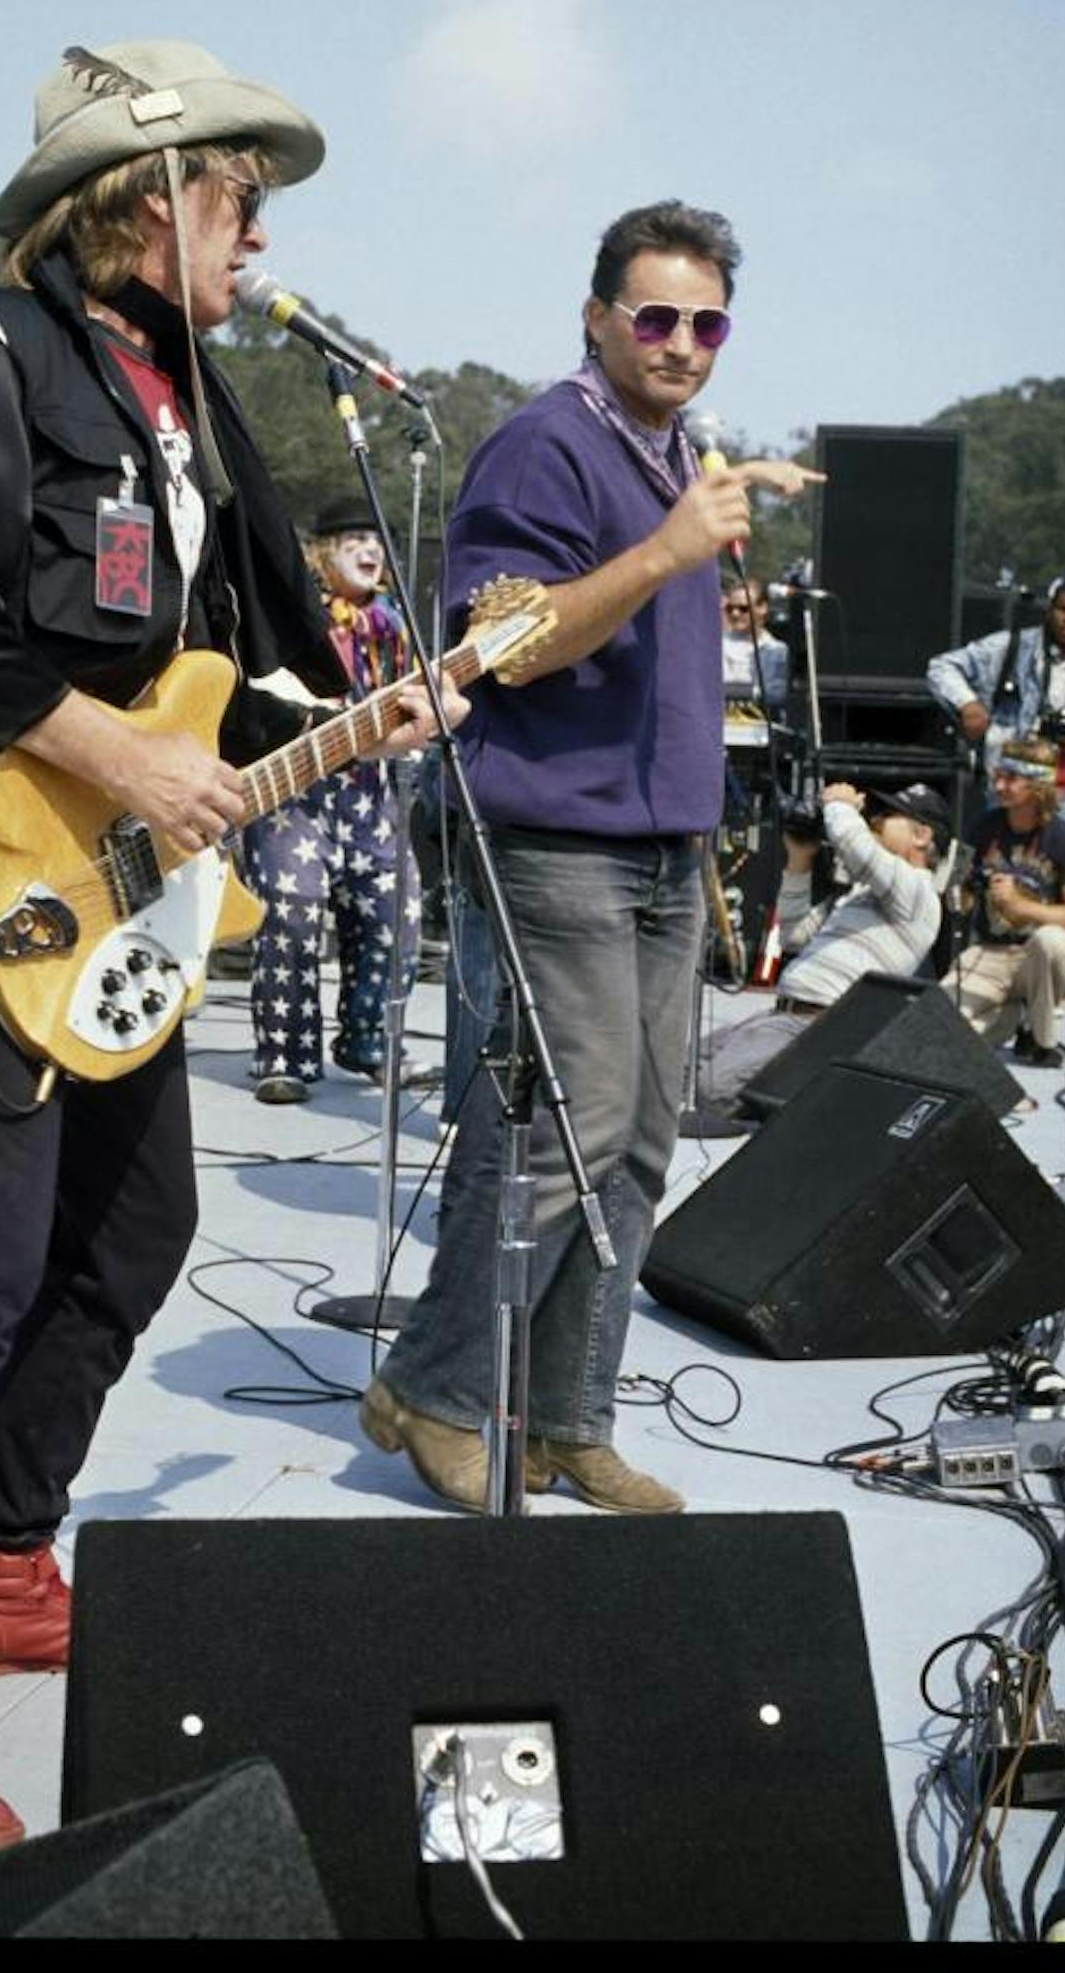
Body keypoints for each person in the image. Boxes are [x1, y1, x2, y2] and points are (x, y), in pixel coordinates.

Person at [0, 36, 455, 1864]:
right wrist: (132, 766)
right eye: (241, 195)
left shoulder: (199, 403)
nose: (259, 235)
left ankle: (4, 1553)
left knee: (138, 1224)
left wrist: (357, 713)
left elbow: (228, 677)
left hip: (124, 891)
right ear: (149, 196)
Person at [360, 199, 819, 1516]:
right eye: (656, 315)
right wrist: (670, 549)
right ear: (598, 314)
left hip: (665, 851)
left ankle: (568, 1420)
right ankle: (435, 1390)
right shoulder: (541, 447)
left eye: (707, 321)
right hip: (559, 842)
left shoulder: (676, 453)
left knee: (638, 1151)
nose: (683, 342)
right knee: (569, 1136)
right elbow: (499, 647)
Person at [243, 494, 422, 1103]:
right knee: (290, 915)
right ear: (323, 553)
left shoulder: (397, 624)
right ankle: (286, 1056)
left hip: (370, 794)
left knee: (393, 913)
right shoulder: (297, 615)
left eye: (376, 541)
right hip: (299, 794)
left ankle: (369, 1041)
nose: (372, 550)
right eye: (355, 541)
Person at [696, 779, 948, 1106]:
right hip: (780, 1017)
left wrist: (838, 804)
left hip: (815, 1026)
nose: (872, 821)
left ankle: (806, 1107)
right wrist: (799, 859)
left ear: (921, 836)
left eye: (885, 816)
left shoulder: (919, 893)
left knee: (711, 1090)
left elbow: (857, 847)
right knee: (676, 1072)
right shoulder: (863, 895)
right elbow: (794, 934)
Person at [926, 573, 1065, 813]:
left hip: (1058, 790)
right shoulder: (1010, 646)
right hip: (1004, 787)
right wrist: (967, 704)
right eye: (1063, 609)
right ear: (1049, 610)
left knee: (1060, 848)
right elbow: (940, 667)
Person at [941, 735, 1065, 1068]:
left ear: (1037, 786)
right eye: (998, 775)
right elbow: (954, 888)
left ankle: (1041, 1040)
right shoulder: (981, 826)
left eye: (1010, 778)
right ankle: (1011, 1019)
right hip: (990, 951)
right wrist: (959, 887)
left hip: (1039, 957)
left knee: (1050, 940)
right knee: (939, 1024)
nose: (998, 784)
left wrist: (1020, 906)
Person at [719, 572, 789, 705]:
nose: (735, 613)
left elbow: (778, 693)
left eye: (743, 608)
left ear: (762, 607)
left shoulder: (778, 651)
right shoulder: (716, 645)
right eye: (730, 608)